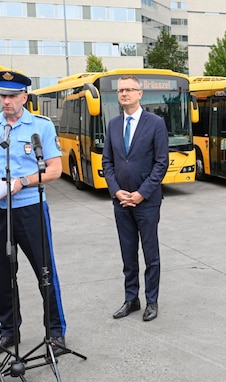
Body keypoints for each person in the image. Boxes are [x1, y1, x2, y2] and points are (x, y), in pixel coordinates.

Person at [0, 70, 68, 355]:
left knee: (45, 272)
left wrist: (24, 181)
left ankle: (55, 333)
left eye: (12, 96)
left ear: (24, 97)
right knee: (4, 275)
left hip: (30, 209)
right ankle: (8, 331)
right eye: (3, 96)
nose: (6, 101)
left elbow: (55, 169)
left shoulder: (40, 127)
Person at [102, 75, 169, 322]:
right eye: (120, 90)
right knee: (128, 254)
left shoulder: (155, 123)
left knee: (151, 255)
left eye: (129, 89)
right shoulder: (113, 124)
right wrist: (116, 190)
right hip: (121, 201)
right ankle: (132, 299)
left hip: (147, 202)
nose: (124, 94)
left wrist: (142, 193)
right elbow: (107, 161)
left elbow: (162, 163)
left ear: (140, 93)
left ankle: (152, 301)